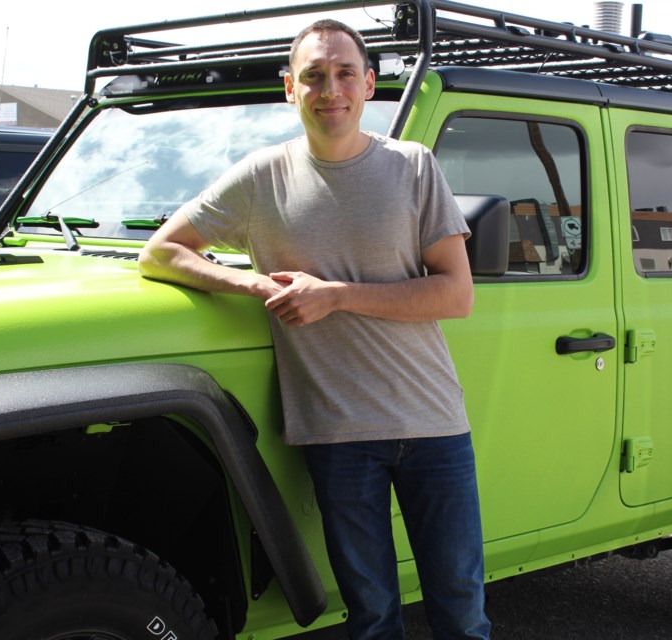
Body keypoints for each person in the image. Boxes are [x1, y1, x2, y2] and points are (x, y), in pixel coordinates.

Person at [138, 18, 491, 640]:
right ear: (289, 88)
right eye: (314, 76)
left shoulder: (413, 166)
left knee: (460, 607)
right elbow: (160, 253)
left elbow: (456, 295)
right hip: (337, 435)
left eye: (345, 73)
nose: (331, 88)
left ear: (369, 84)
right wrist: (253, 283)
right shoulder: (260, 177)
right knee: (371, 614)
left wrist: (335, 297)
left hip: (434, 427)